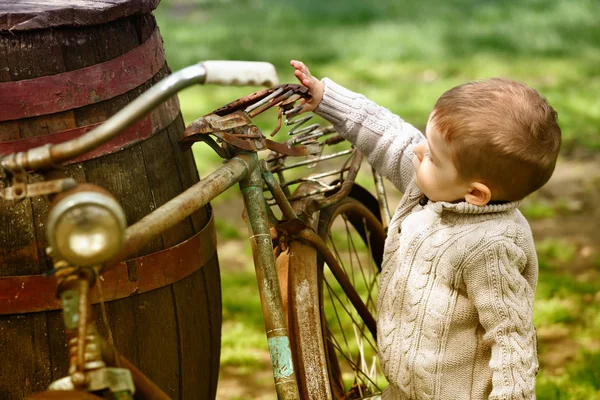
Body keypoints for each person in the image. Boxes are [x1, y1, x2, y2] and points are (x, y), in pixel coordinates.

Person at [290, 60, 561, 399]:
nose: (418, 151)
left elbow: (512, 340)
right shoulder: (435, 189)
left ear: (476, 193)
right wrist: (327, 97)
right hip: (405, 390)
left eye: (432, 156)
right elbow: (391, 137)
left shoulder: (492, 246)